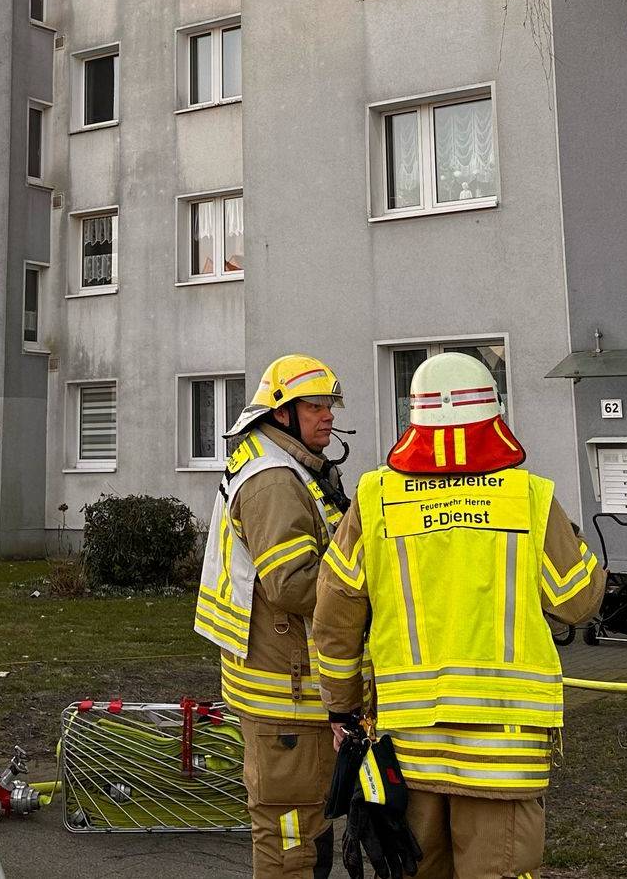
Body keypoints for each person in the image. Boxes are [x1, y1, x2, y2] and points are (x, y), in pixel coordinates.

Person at [312, 352, 603, 879]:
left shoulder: (375, 499)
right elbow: (578, 598)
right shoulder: (529, 498)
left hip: (408, 745)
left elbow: (334, 618)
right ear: (494, 414)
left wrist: (341, 709)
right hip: (503, 748)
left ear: (413, 419)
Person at [193, 354, 353, 878]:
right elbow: (291, 584)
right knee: (289, 834)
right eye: (316, 406)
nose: (328, 415)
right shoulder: (275, 480)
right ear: (282, 414)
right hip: (284, 690)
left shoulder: (288, 465)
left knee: (310, 819)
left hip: (289, 681)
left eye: (330, 405)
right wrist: (365, 587)